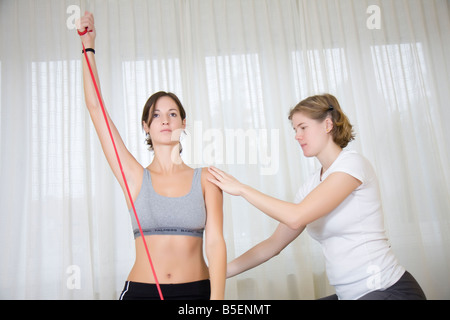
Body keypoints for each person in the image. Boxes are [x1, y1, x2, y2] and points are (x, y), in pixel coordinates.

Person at [208, 93, 426, 300]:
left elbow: (296, 216)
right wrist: (215, 273)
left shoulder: (352, 165)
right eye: (295, 129)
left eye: (303, 127)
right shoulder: (311, 186)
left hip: (389, 290)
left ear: (328, 125)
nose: (297, 135)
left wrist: (242, 189)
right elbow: (273, 244)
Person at [78, 11, 226, 300]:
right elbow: (96, 108)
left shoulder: (207, 178)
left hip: (196, 292)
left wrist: (217, 302)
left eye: (173, 114)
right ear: (146, 126)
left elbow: (217, 244)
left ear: (184, 124)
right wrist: (88, 46)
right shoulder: (134, 177)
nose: (165, 120)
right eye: (156, 115)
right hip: (142, 292)